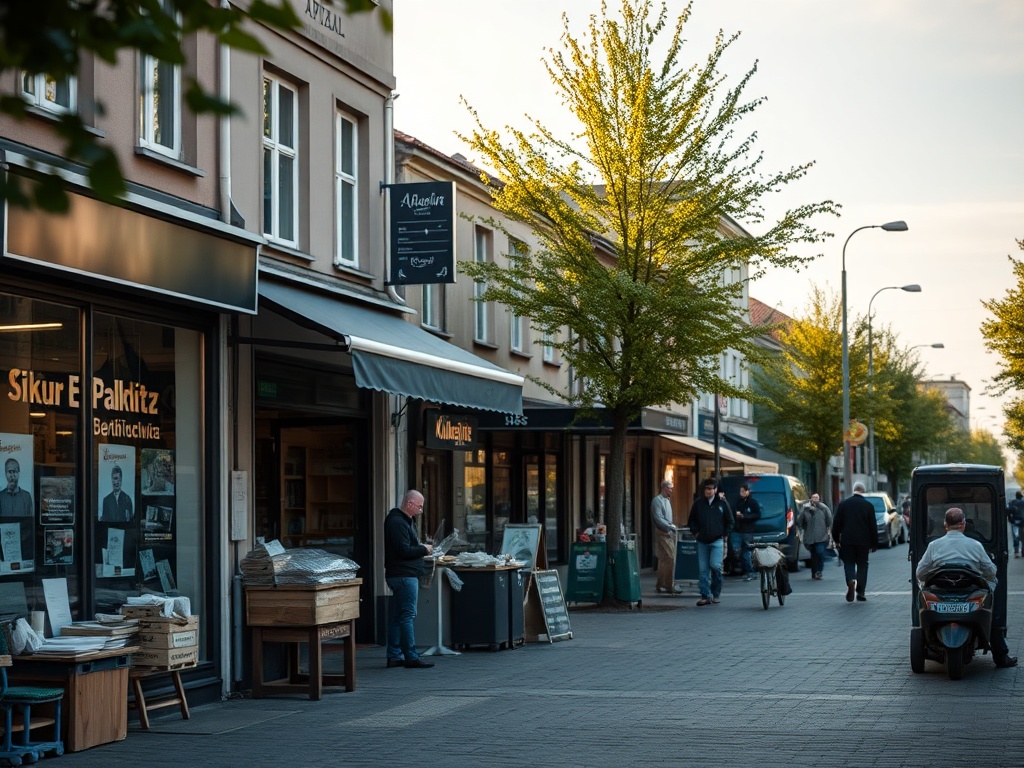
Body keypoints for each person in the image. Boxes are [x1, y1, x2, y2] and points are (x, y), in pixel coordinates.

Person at [916, 507, 1017, 668]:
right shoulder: (975, 545)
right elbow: (991, 571)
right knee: (992, 612)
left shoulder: (934, 545)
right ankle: (1001, 656)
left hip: (940, 592)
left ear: (945, 525)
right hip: (970, 591)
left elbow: (920, 572)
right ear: (963, 524)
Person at [384, 489, 434, 669]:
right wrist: (424, 549)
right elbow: (404, 550)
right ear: (410, 503)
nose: (421, 510)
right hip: (404, 575)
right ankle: (411, 656)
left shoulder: (403, 521)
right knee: (408, 616)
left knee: (398, 616)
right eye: (420, 506)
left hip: (402, 574)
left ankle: (394, 655)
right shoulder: (397, 522)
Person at [688, 477, 734, 606]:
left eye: (710, 489)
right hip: (702, 541)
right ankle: (705, 595)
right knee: (703, 570)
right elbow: (691, 520)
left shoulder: (722, 503)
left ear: (715, 489)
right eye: (706, 489)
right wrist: (695, 533)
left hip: (717, 541)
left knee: (715, 566)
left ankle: (716, 593)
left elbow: (730, 521)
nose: (707, 491)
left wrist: (724, 534)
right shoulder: (698, 504)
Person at [832, 482, 876, 602]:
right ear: (863, 491)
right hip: (863, 541)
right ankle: (861, 591)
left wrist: (836, 539)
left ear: (853, 490)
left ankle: (851, 580)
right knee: (863, 564)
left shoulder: (843, 505)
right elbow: (873, 526)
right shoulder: (868, 506)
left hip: (847, 540)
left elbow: (836, 524)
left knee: (849, 562)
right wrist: (874, 544)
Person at [650, 480, 682, 594]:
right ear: (664, 488)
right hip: (662, 532)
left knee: (665, 559)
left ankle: (662, 584)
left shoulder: (667, 500)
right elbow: (658, 518)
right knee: (670, 557)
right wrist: (669, 526)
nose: (672, 490)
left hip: (669, 532)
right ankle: (668, 584)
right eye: (670, 488)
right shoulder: (657, 501)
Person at [1, 458, 34, 563]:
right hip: (3, 547)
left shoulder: (26, 496)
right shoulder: (0, 497)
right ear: (5, 474)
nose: (12, 475)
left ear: (18, 473)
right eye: (9, 472)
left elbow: (30, 523)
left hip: (23, 546)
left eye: (14, 471)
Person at [799, 493, 833, 580]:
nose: (814, 499)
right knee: (813, 555)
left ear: (819, 499)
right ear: (810, 499)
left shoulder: (824, 508)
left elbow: (829, 521)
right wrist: (803, 509)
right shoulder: (805, 509)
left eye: (816, 497)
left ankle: (819, 571)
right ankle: (814, 572)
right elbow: (799, 522)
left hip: (821, 536)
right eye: (813, 497)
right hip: (809, 537)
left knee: (820, 553)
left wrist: (828, 532)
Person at [732, 483, 762, 582]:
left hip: (747, 530)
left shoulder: (752, 502)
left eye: (743, 491)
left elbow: (757, 514)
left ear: (747, 491)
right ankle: (745, 571)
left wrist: (745, 516)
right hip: (738, 529)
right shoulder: (738, 501)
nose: (741, 493)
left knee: (746, 552)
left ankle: (750, 571)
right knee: (738, 551)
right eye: (740, 491)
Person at [1007, 491, 1024, 558]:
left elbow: (1008, 511)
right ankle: (1023, 550)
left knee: (1015, 537)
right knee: (1023, 537)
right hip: (1023, 521)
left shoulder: (1012, 502)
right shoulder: (1023, 502)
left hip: (1015, 521)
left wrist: (1011, 520)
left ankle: (1016, 552)